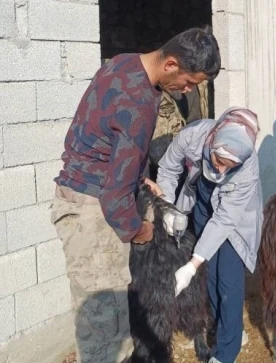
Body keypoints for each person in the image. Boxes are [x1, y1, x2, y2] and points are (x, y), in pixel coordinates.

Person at [50, 27, 221, 363]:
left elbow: (110, 137)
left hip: (83, 193)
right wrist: (139, 231)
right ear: (171, 64)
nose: (187, 91)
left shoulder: (123, 64)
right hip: (93, 210)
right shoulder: (140, 102)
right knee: (105, 330)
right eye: (188, 82)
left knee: (115, 320)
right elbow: (115, 199)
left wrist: (141, 178)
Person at [153, 106, 263, 363]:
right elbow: (168, 169)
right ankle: (226, 328)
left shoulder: (248, 168)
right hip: (202, 200)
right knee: (210, 277)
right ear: (213, 140)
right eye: (219, 161)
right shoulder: (192, 136)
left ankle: (226, 353)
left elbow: (224, 220)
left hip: (234, 219)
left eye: (230, 167)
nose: (222, 170)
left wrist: (191, 265)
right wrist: (168, 206)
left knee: (228, 282)